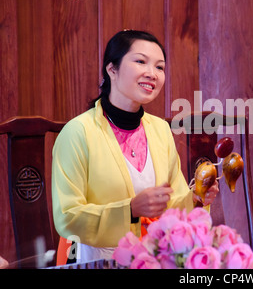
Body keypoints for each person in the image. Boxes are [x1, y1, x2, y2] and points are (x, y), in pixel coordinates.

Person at [52, 30, 219, 264]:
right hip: (95, 261)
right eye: (141, 61)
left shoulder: (160, 129)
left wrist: (198, 199)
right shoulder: (77, 132)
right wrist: (129, 210)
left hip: (153, 259)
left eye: (160, 67)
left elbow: (173, 203)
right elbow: (67, 217)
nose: (152, 73)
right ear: (112, 69)